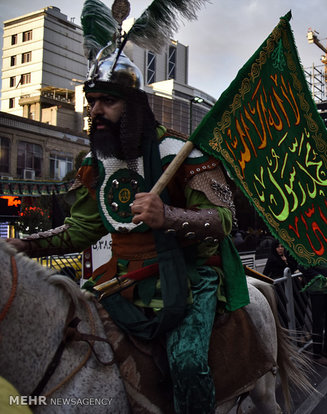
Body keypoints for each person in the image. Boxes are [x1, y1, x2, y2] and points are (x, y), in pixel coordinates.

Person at [6, 49, 249, 414]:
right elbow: (81, 229)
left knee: (186, 363)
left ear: (134, 105)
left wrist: (166, 215)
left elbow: (223, 219)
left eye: (107, 101)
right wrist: (23, 244)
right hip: (117, 281)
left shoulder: (180, 151)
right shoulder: (94, 164)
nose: (95, 111)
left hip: (186, 277)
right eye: (91, 102)